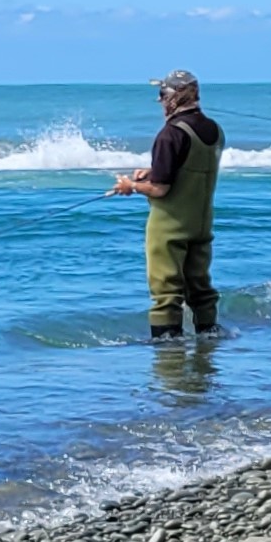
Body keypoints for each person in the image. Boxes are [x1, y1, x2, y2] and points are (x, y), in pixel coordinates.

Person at [110, 69, 225, 339]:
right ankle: (209, 338)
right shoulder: (214, 130)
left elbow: (160, 189)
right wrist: (155, 171)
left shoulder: (170, 134)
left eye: (162, 94)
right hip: (201, 225)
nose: (160, 101)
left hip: (170, 228)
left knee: (166, 292)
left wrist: (130, 186)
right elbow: (191, 168)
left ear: (173, 97)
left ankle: (167, 348)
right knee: (201, 289)